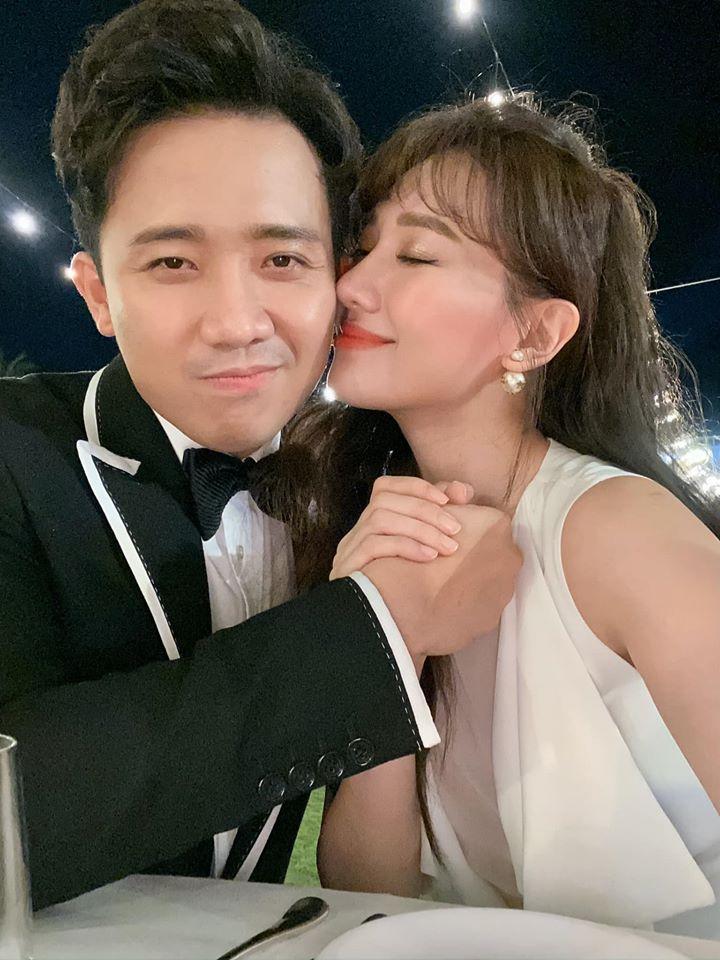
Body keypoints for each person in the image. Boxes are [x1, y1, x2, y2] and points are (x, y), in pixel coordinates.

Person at [0, 1, 522, 910]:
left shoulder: (353, 487)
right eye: (173, 263)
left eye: (283, 261)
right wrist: (365, 633)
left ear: (337, 283)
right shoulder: (16, 454)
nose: (238, 323)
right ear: (98, 295)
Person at [296, 96, 720, 937]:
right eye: (364, 247)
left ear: (533, 334)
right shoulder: (382, 530)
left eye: (416, 254)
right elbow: (367, 886)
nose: (350, 284)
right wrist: (386, 640)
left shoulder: (617, 531)